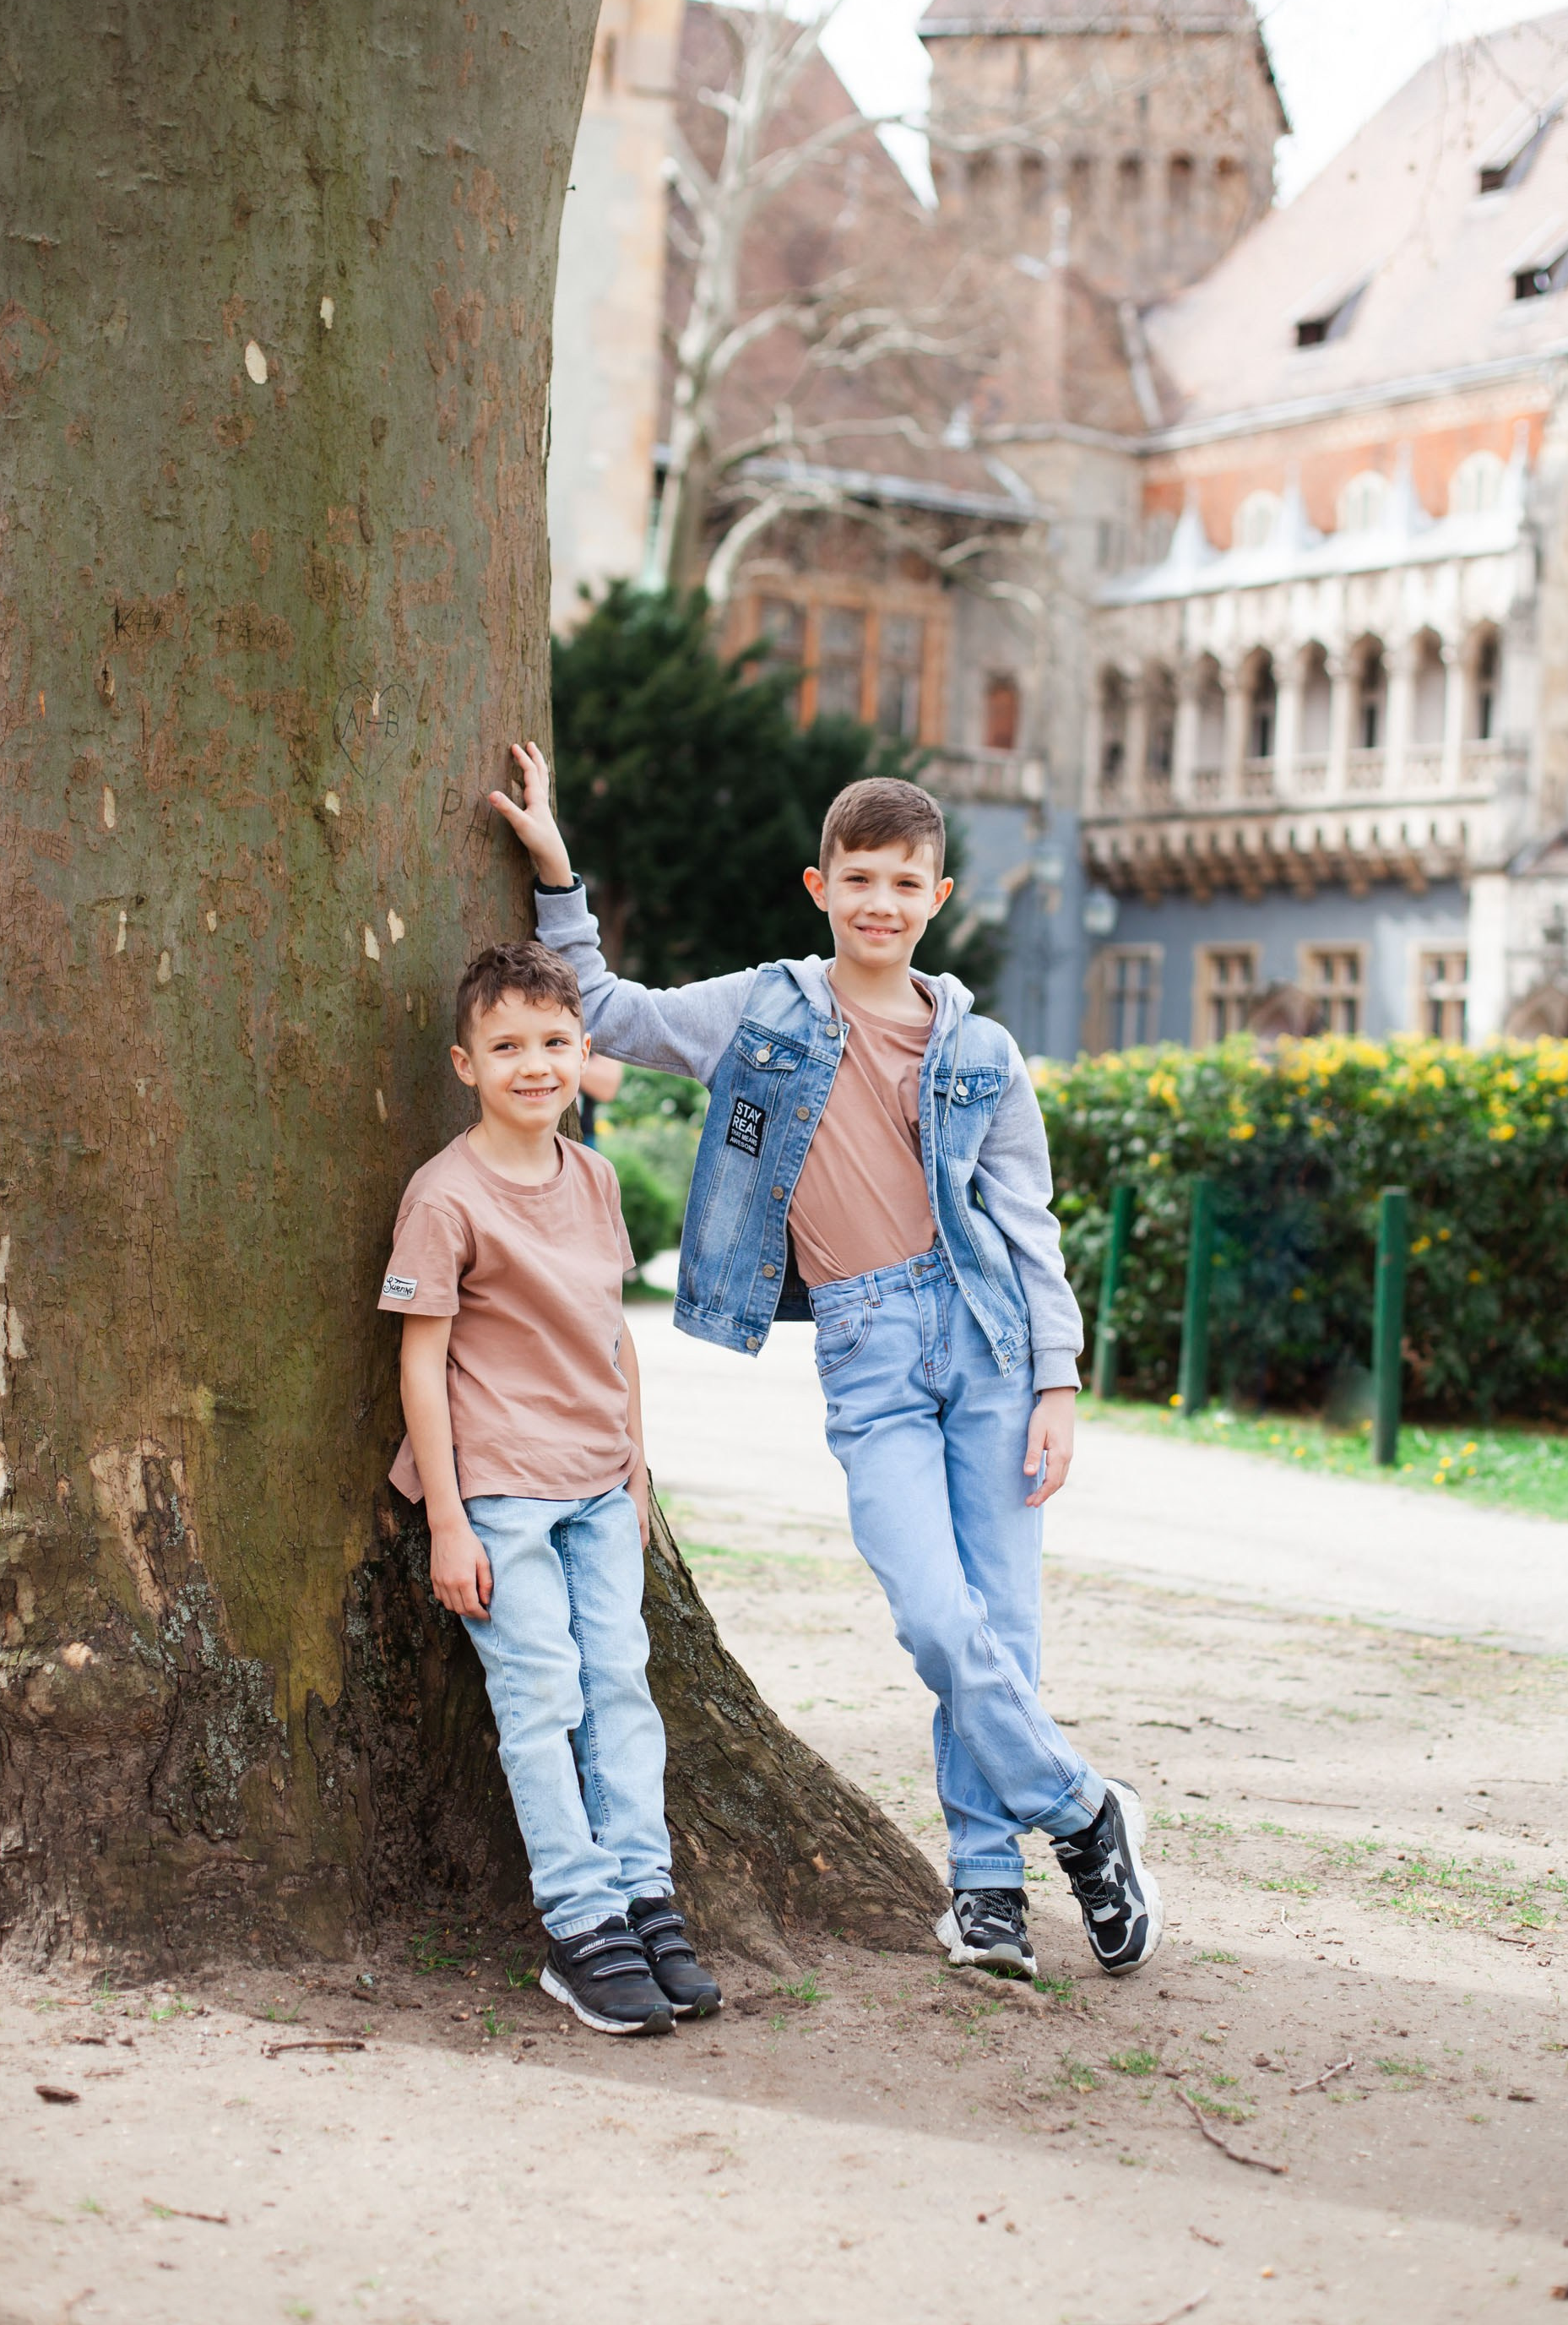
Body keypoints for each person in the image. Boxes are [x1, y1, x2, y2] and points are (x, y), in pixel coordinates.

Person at [491, 746, 1163, 1984]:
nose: (882, 905)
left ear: (937, 901)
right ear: (819, 885)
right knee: (933, 1614)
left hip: (994, 1343)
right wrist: (555, 872)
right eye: (860, 878)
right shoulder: (765, 1009)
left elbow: (1030, 1227)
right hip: (867, 1346)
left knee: (999, 1628)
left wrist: (1060, 1380)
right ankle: (1083, 1811)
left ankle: (991, 1889)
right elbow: (609, 1011)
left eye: (907, 884)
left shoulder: (986, 1054)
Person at [379, 936, 721, 2034]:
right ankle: (581, 1931)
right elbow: (419, 1363)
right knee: (541, 1703)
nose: (536, 1063)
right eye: (509, 1045)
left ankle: (644, 1902)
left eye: (556, 1043)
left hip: (596, 1485)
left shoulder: (599, 1180)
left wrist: (637, 1472)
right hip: (500, 1494)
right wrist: (446, 1520)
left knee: (621, 1690)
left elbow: (611, 1340)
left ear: (585, 1054)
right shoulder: (444, 1196)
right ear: (466, 1063)